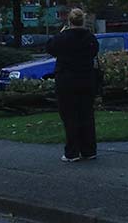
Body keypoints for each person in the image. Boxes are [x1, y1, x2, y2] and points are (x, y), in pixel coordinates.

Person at [46, 8, 99, 162]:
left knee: (69, 116)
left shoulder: (62, 38)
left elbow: (50, 48)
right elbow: (94, 53)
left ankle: (72, 152)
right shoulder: (90, 38)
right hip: (86, 80)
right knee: (87, 115)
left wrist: (62, 32)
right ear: (83, 21)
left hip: (66, 81)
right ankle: (89, 150)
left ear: (69, 21)